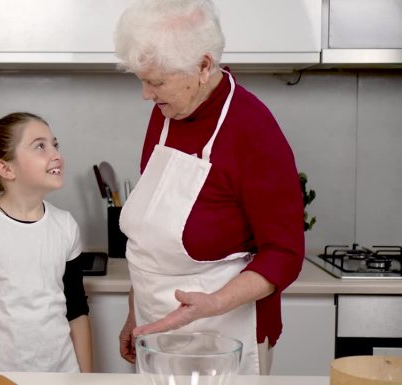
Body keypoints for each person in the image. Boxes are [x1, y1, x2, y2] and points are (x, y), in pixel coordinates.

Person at [113, 0, 305, 375]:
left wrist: (215, 303)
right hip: (156, 329)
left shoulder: (253, 130)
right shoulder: (167, 113)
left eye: (155, 81)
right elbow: (152, 235)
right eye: (142, 79)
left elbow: (284, 253)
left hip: (226, 334)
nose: (146, 95)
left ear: (203, 66)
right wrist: (134, 312)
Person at [0, 112, 93, 373]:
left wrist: (86, 380)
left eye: (55, 144)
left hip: (62, 376)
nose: (55, 154)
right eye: (40, 146)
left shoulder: (65, 225)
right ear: (6, 168)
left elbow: (77, 312)